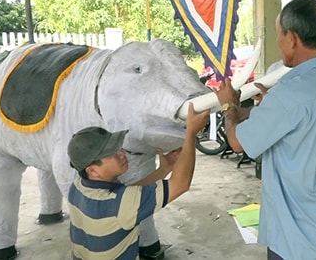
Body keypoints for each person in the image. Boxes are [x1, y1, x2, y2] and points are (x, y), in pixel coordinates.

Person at [215, 0, 316, 260]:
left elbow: (237, 142)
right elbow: (298, 125)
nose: (278, 43)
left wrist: (228, 106)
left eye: (279, 35)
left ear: (292, 38)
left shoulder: (289, 93)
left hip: (293, 230)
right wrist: (265, 107)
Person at [66, 103, 209, 260]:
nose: (121, 153)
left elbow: (128, 196)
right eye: (111, 153)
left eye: (118, 147)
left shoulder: (78, 186)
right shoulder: (120, 204)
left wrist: (163, 170)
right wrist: (190, 134)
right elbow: (180, 184)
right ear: (92, 170)